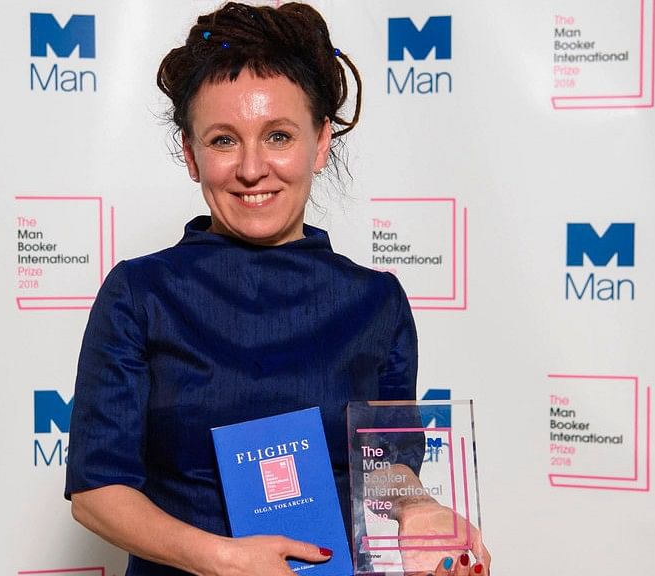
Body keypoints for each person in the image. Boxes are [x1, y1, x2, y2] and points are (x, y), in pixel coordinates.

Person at [64, 3, 490, 575]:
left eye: (279, 136)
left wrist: (419, 509)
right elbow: (97, 492)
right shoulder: (141, 295)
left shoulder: (376, 302)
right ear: (191, 155)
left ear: (320, 143)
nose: (251, 168)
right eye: (222, 141)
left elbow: (385, 468)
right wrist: (223, 561)